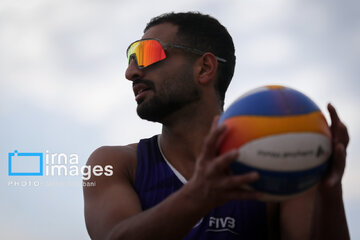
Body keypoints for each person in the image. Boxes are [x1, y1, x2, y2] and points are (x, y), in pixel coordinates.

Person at [83, 12, 350, 240]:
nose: (131, 72)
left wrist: (330, 192)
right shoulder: (114, 164)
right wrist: (198, 197)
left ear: (205, 68)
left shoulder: (274, 163)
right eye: (130, 57)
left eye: (146, 54)